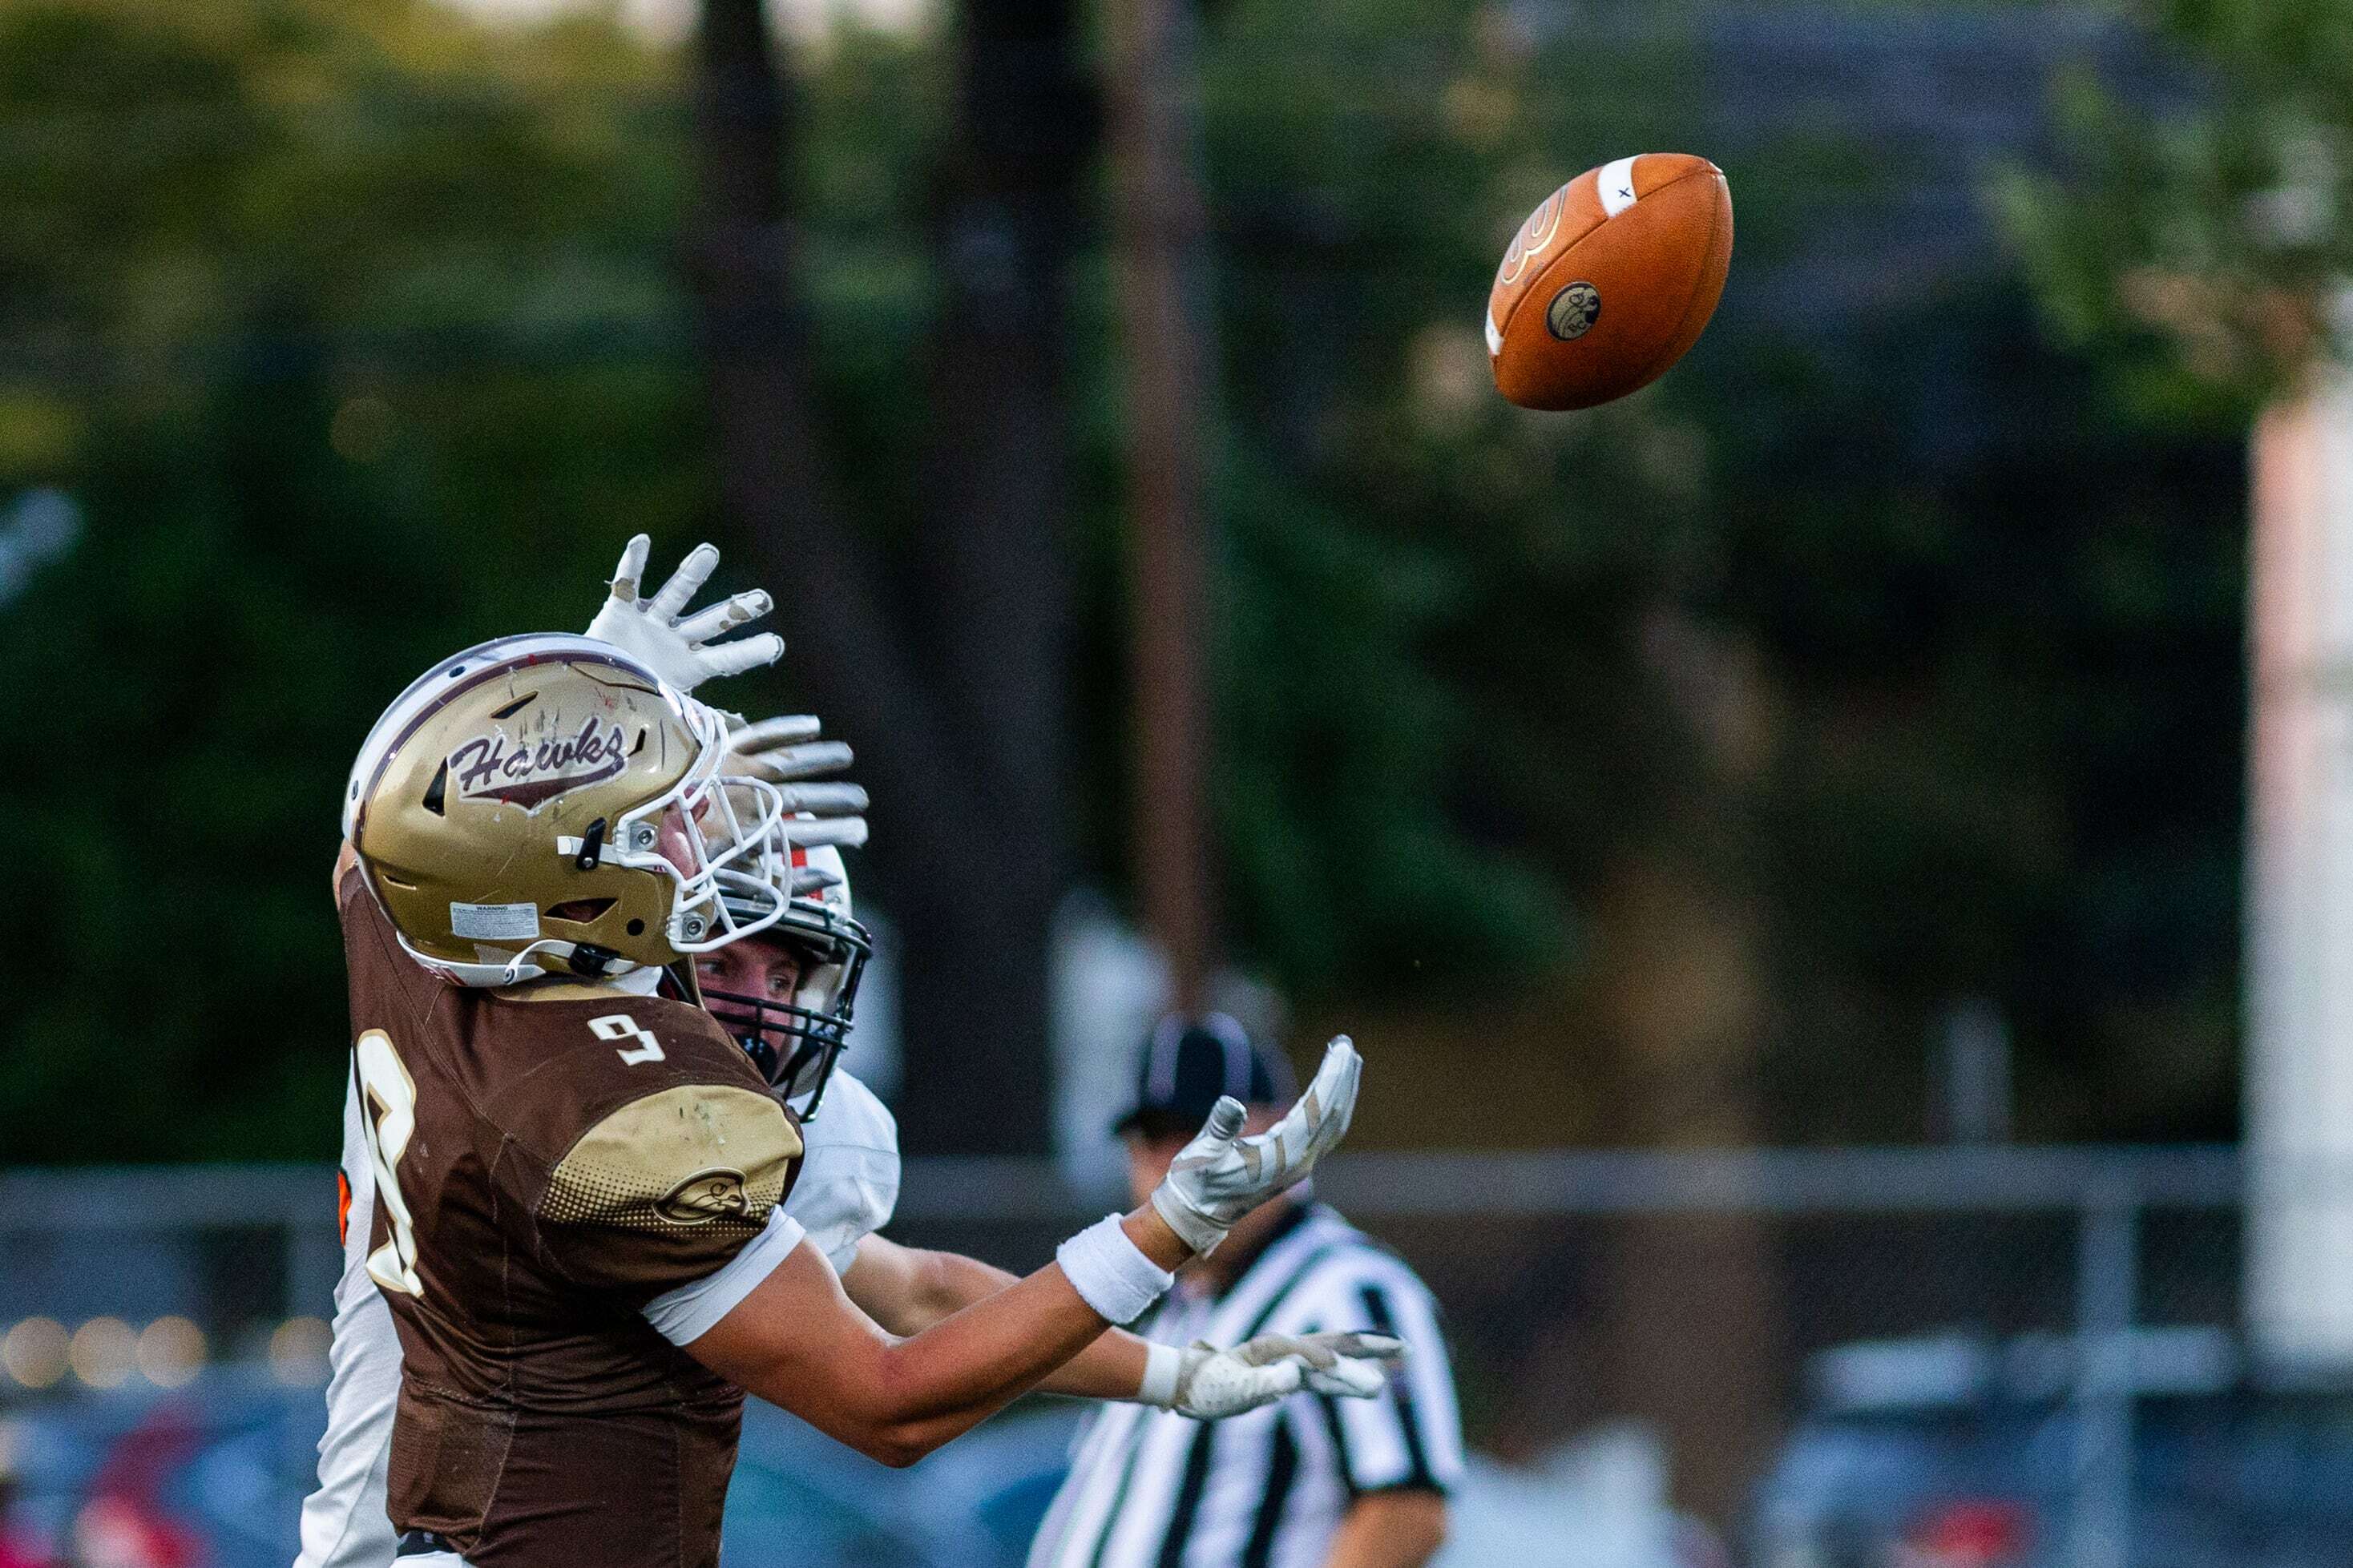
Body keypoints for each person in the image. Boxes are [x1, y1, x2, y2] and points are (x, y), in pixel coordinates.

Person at [301, 542, 1394, 1568]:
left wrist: (1176, 1374)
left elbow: (916, 1289)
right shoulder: (617, 1126)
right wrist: (1165, 1234)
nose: (683, 845)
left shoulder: (416, 942)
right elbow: (889, 1396)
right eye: (657, 833)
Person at [1027, 1014, 1464, 1568]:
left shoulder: (1349, 1288)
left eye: (1199, 1127)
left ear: (1282, 1129)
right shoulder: (1180, 1301)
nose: (1176, 1160)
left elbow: (1407, 1510)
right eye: (1152, 1135)